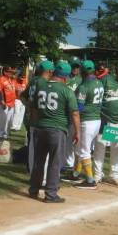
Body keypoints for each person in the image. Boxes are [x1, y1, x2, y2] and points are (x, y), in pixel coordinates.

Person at [28, 61, 80, 203]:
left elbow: (33, 108)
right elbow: (74, 113)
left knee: (38, 160)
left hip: (39, 127)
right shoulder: (66, 90)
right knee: (54, 162)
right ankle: (51, 194)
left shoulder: (40, 86)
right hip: (57, 129)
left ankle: (33, 189)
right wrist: (77, 132)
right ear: (65, 77)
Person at [72, 60, 103, 189]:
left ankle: (90, 180)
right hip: (97, 120)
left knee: (84, 150)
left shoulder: (84, 86)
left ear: (82, 72)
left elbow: (78, 107)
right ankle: (76, 173)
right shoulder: (99, 82)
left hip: (87, 120)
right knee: (83, 148)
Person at [20, 60, 54, 175]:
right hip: (38, 119)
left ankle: (30, 169)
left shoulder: (33, 80)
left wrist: (28, 106)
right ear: (49, 71)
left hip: (30, 116)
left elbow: (22, 96)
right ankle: (35, 171)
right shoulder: (43, 83)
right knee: (38, 147)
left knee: (31, 145)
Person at [0, 65, 16, 144]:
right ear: (5, 72)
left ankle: (5, 136)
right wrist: (2, 101)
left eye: (12, 72)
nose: (12, 73)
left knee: (8, 121)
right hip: (4, 103)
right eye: (10, 72)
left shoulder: (11, 79)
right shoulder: (1, 79)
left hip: (11, 103)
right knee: (3, 120)